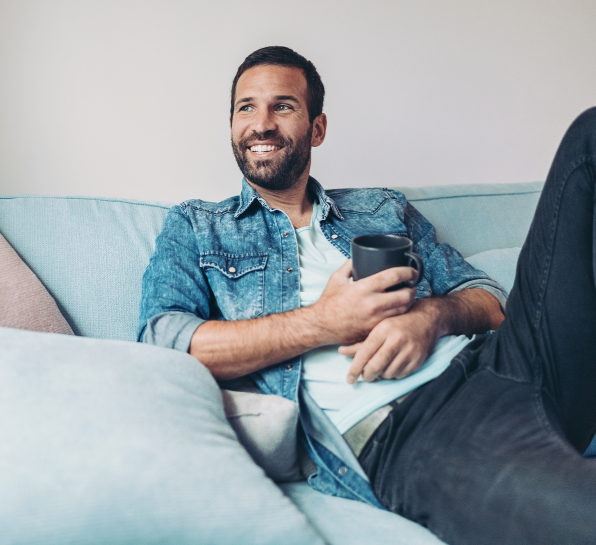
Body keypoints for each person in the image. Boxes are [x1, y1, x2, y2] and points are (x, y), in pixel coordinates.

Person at [137, 45, 596, 545]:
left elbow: (488, 299)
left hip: (508, 364)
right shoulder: (198, 226)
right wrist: (325, 322)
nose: (261, 124)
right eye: (246, 107)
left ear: (317, 128)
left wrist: (430, 318)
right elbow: (166, 342)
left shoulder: (380, 208)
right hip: (415, 429)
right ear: (231, 124)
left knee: (588, 136)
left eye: (283, 106)